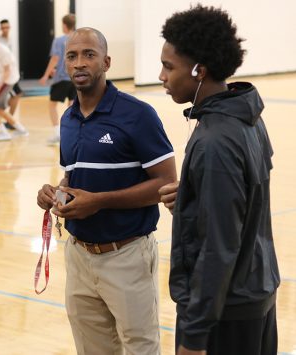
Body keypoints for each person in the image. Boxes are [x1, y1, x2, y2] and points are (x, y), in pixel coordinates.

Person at [37, 27, 176, 354]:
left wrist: (99, 203)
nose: (79, 63)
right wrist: (53, 196)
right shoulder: (68, 120)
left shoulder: (137, 115)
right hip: (79, 257)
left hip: (126, 255)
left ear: (107, 62)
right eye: (72, 56)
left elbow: (166, 183)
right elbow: (72, 180)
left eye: (89, 54)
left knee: (140, 348)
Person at [157, 5, 280, 355]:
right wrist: (196, 194)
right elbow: (247, 192)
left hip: (224, 311)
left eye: (169, 66)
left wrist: (194, 338)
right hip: (255, 292)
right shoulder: (247, 118)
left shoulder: (214, 141)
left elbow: (219, 246)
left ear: (200, 70)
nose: (162, 76)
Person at [0, 27, 28, 141]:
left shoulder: (3, 51)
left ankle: (4, 132)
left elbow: (8, 70)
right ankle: (21, 129)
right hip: (2, 79)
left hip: (9, 80)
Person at [39, 14, 77, 145]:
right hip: (75, 77)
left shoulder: (59, 40)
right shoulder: (78, 39)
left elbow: (55, 58)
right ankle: (71, 133)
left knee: (52, 106)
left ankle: (57, 134)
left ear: (65, 25)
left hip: (61, 78)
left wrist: (46, 74)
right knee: (72, 106)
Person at [0, 18, 22, 121]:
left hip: (12, 73)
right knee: (17, 94)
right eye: (3, 28)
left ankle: (9, 118)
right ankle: (9, 120)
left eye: (7, 27)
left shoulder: (10, 39)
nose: (5, 29)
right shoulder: (0, 41)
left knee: (17, 95)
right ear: (0, 29)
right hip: (7, 75)